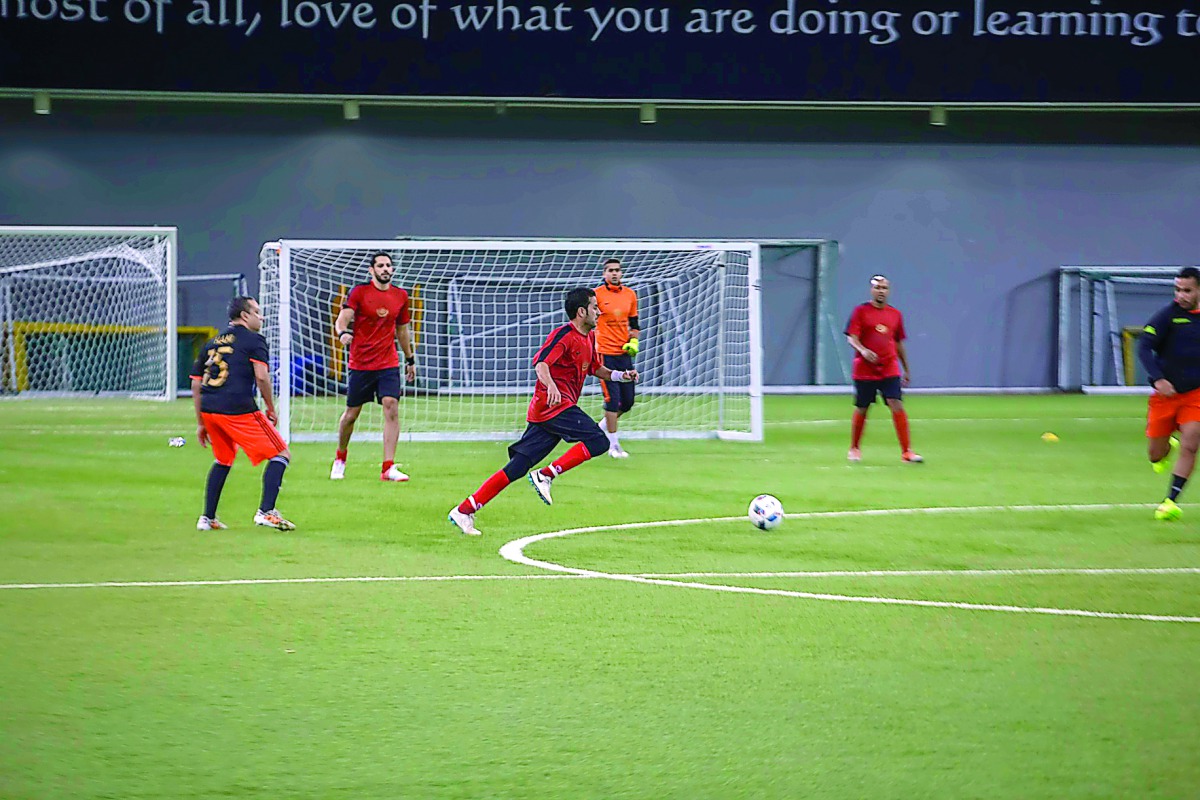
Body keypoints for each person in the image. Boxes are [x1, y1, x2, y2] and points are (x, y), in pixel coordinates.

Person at [447, 287, 639, 536]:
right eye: (594, 307)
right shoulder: (563, 335)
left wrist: (621, 376)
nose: (599, 312)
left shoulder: (589, 338)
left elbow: (595, 368)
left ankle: (464, 510)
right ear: (581, 311)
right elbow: (541, 364)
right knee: (599, 442)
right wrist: (551, 387)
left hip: (549, 413)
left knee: (517, 467)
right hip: (553, 407)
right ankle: (546, 474)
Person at [190, 296, 295, 531]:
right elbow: (261, 376)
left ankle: (207, 518)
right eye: (257, 312)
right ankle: (266, 512)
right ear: (245, 316)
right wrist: (270, 406)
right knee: (281, 453)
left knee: (223, 459)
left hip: (209, 409)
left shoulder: (212, 342)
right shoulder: (254, 340)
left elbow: (196, 384)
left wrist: (200, 422)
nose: (262, 317)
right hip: (237, 408)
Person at [330, 251, 417, 482]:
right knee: (351, 414)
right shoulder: (359, 293)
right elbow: (342, 318)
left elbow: (402, 330)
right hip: (361, 363)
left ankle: (388, 467)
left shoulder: (400, 296)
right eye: (380, 265)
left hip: (388, 362)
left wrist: (410, 359)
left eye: (388, 265)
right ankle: (340, 458)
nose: (385, 269)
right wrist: (342, 333)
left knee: (391, 406)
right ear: (372, 270)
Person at [1137, 266, 1200, 521]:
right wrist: (1158, 379)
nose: (1180, 295)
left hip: (1195, 393)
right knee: (1155, 454)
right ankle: (1165, 446)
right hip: (1166, 396)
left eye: (1187, 290)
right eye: (1177, 289)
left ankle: (1170, 501)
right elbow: (1144, 348)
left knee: (1192, 441)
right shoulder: (1167, 316)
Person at [844, 274, 923, 464]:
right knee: (862, 407)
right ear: (872, 290)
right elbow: (851, 337)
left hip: (889, 368)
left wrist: (906, 369)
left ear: (889, 291)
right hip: (865, 369)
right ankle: (854, 448)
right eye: (878, 288)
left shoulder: (895, 314)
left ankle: (907, 452)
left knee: (896, 403)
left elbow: (898, 343)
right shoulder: (861, 312)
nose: (881, 291)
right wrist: (863, 351)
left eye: (884, 288)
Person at [594, 257, 641, 458]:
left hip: (624, 355)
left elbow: (635, 324)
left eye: (617, 270)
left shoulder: (630, 295)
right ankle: (613, 446)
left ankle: (600, 428)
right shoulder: (596, 295)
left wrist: (634, 342)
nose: (614, 273)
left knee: (628, 401)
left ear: (621, 273)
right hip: (605, 354)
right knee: (612, 400)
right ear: (604, 274)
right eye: (610, 270)